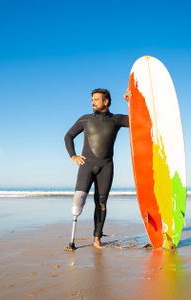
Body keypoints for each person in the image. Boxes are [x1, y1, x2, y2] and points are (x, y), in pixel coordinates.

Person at [64, 88, 132, 248]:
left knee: (101, 203)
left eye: (96, 99)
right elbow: (68, 136)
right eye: (92, 99)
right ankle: (72, 240)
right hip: (86, 166)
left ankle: (97, 238)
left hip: (106, 167)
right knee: (78, 202)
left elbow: (135, 121)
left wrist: (130, 102)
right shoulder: (85, 119)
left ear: (106, 101)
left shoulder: (116, 119)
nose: (92, 102)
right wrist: (73, 155)